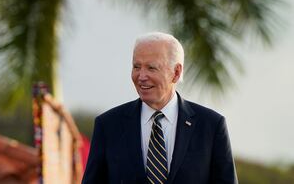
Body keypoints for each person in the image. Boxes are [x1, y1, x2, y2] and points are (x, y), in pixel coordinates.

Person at [82, 32, 237, 184]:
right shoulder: (108, 125)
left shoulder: (211, 126)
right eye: (136, 67)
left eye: (151, 68)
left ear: (176, 73)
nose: (141, 76)